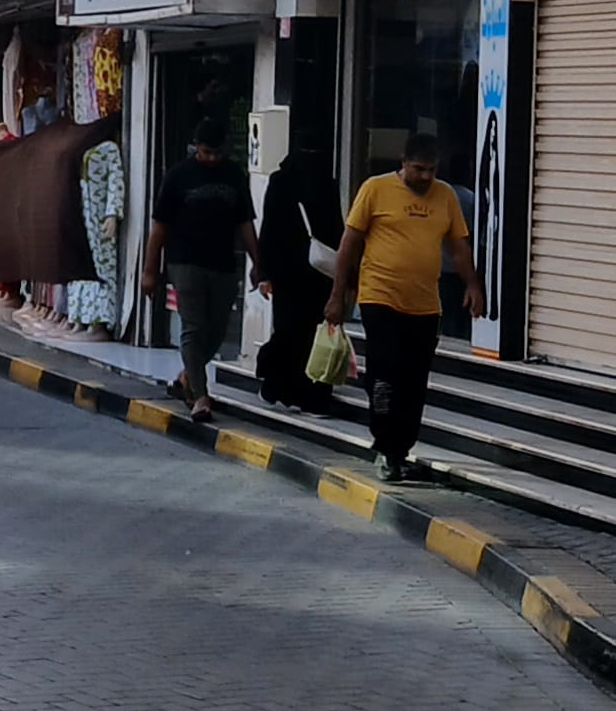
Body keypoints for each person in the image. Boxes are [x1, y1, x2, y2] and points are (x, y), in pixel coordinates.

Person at [322, 136, 483, 481]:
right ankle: (385, 445)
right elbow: (350, 243)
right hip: (379, 297)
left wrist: (472, 285)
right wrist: (337, 295)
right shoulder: (375, 189)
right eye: (418, 169)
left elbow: (458, 247)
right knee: (385, 374)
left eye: (432, 170)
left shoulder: (446, 196)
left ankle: (400, 449)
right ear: (403, 162)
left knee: (414, 381)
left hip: (424, 305)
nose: (425, 177)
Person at [141, 112, 267, 425]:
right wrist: (149, 270)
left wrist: (258, 262)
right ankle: (200, 396)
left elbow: (245, 223)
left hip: (223, 262)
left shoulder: (233, 175)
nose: (211, 159)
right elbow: (159, 227)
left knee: (217, 330)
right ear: (196, 147)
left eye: (216, 153)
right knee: (193, 326)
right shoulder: (178, 176)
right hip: (185, 262)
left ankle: (188, 375)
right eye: (206, 152)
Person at [255, 140, 346, 409]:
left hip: (295, 273)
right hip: (313, 272)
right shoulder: (325, 183)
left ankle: (286, 385)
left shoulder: (282, 181)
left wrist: (265, 271)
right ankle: (306, 390)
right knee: (303, 332)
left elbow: (269, 229)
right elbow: (337, 230)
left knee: (293, 331)